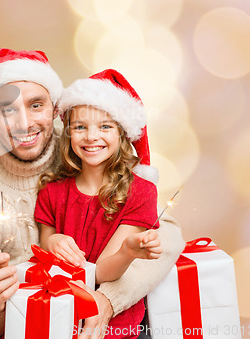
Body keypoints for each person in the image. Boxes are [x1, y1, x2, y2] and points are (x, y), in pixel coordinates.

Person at [0, 48, 185, 339]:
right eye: (7, 109)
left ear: (54, 108)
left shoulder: (86, 150)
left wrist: (108, 299)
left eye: (36, 105)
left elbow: (168, 233)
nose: (24, 123)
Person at [35, 69, 162, 339]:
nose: (91, 137)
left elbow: (102, 273)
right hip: (58, 316)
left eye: (105, 126)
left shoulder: (141, 193)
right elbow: (43, 246)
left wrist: (127, 252)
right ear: (69, 133)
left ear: (123, 133)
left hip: (115, 326)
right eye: (80, 127)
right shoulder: (52, 191)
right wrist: (53, 240)